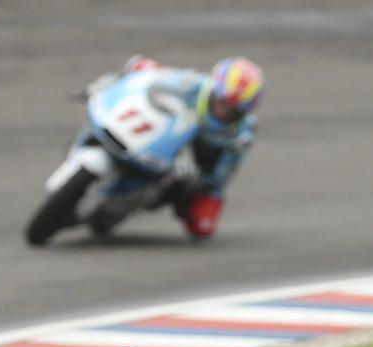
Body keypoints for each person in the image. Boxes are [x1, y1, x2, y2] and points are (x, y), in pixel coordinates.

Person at [87, 55, 263, 239]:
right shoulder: (190, 84)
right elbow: (146, 73)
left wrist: (203, 185)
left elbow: (223, 174)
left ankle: (149, 198)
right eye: (221, 103)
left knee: (202, 227)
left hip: (192, 166)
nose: (223, 112)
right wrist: (117, 80)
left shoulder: (242, 134)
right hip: (157, 136)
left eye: (232, 110)